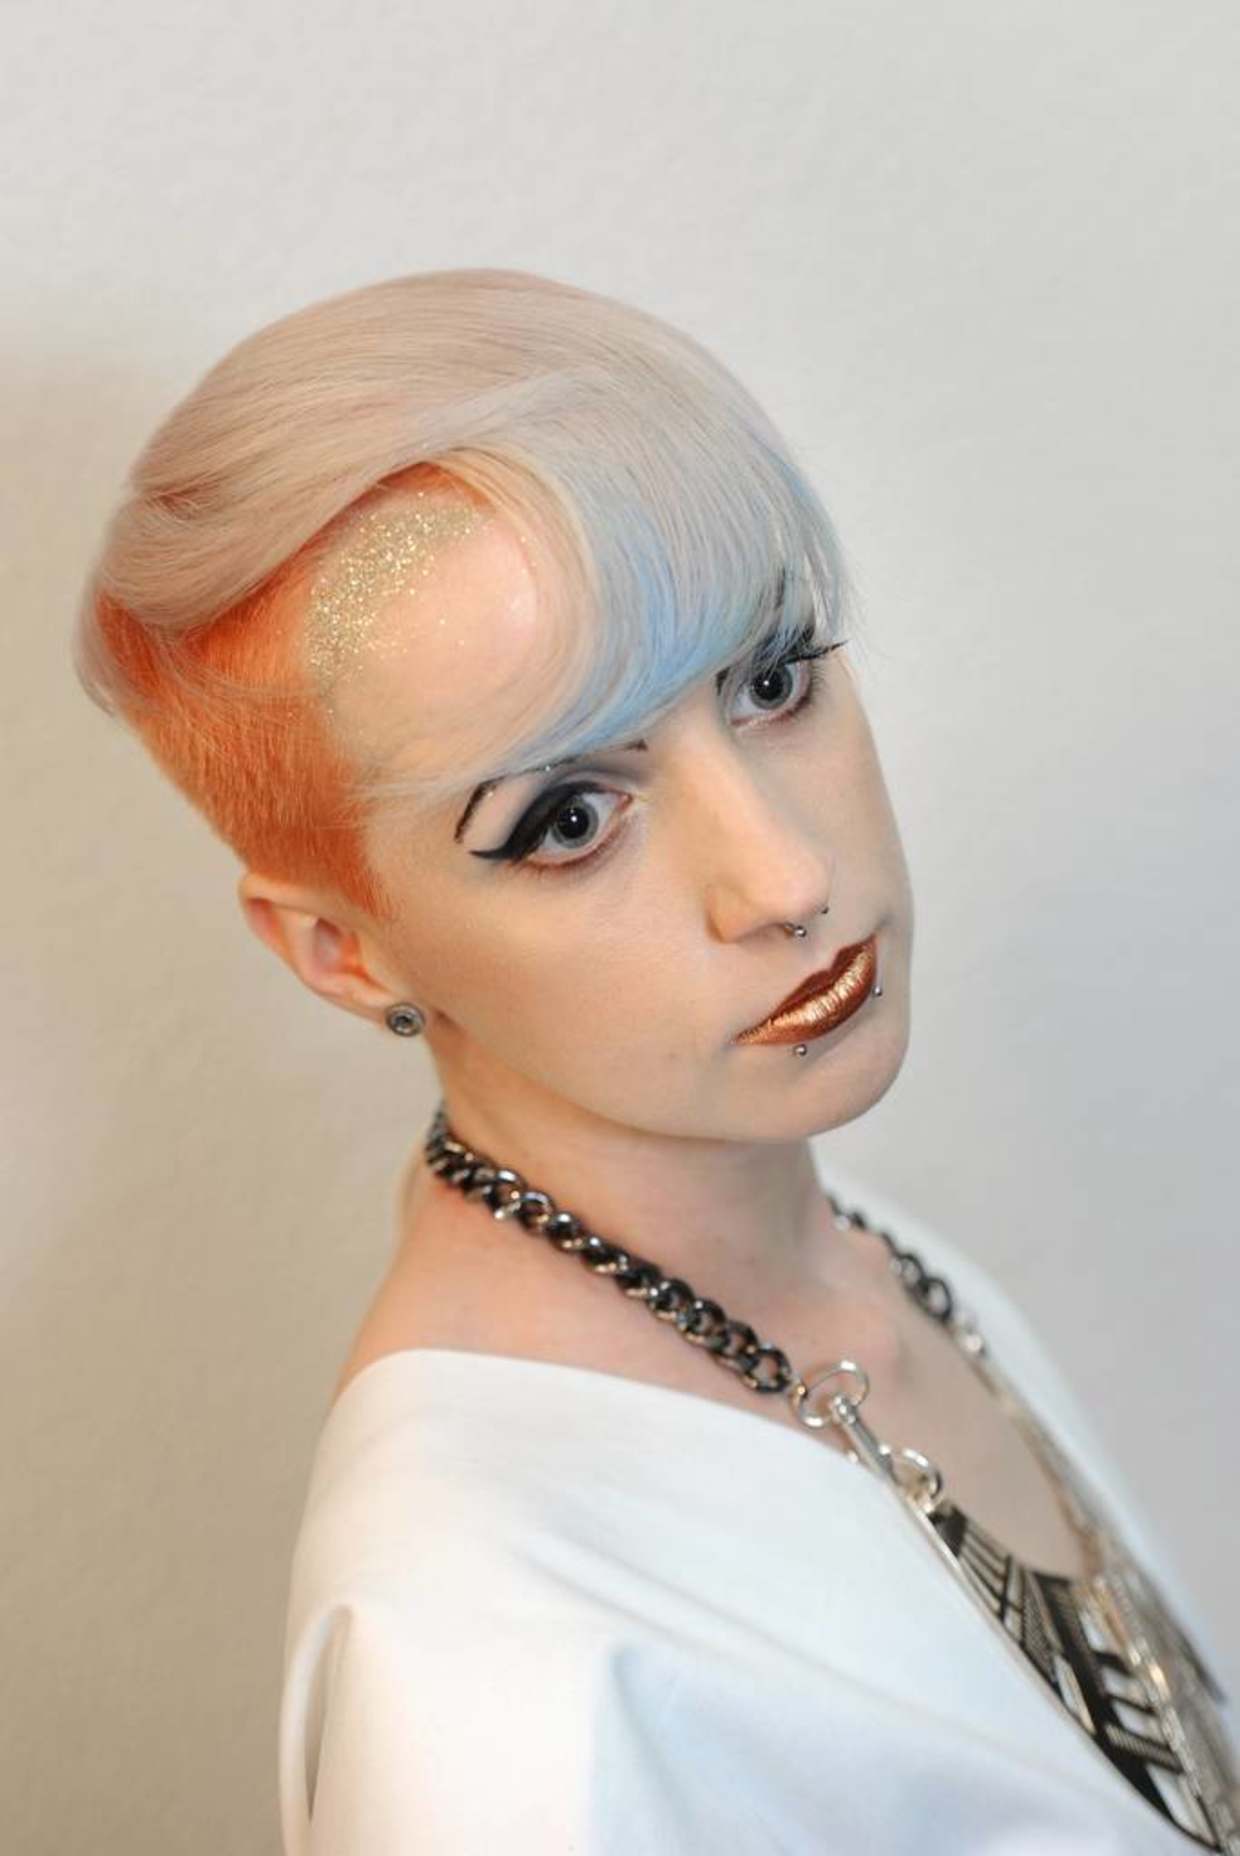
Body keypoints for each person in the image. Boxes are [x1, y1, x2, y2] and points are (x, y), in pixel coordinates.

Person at [73, 268, 1238, 1853]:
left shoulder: (860, 1274)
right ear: (344, 951)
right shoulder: (490, 1666)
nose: (786, 877)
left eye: (773, 680)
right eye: (568, 818)